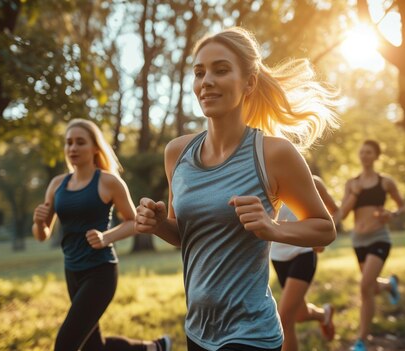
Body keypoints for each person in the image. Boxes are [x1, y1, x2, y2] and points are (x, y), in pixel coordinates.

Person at [135, 27, 338, 351]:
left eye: (221, 69)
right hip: (198, 329)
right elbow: (183, 235)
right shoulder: (177, 153)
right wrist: (159, 225)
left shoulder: (273, 154)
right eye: (199, 73)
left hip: (251, 333)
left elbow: (325, 229)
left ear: (250, 82)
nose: (207, 81)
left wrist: (273, 227)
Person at [32, 118, 171, 351]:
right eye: (69, 143)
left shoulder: (108, 182)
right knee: (92, 346)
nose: (73, 148)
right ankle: (155, 348)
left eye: (80, 142)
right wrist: (38, 222)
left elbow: (133, 221)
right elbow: (41, 235)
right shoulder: (57, 185)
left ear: (95, 147)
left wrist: (107, 237)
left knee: (65, 344)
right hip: (72, 271)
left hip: (101, 272)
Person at [336, 140, 405, 351]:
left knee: (364, 286)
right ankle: (388, 285)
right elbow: (343, 213)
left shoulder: (385, 182)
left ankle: (361, 340)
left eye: (369, 152)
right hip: (358, 240)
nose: (365, 155)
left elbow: (402, 206)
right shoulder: (351, 183)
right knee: (372, 287)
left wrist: (391, 214)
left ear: (376, 156)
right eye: (362, 152)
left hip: (379, 238)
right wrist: (355, 193)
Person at [270, 175, 338, 351]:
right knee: (300, 314)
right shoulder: (267, 179)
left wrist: (321, 238)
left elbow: (335, 212)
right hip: (277, 257)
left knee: (285, 319)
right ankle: (324, 314)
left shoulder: (312, 182)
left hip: (303, 253)